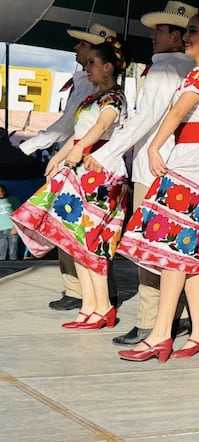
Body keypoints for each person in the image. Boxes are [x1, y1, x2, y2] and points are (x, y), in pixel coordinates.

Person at [115, 10, 199, 362]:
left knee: (174, 245)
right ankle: (198, 331)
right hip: (195, 158)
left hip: (195, 160)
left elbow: (178, 111)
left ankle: (161, 333)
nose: (186, 36)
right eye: (187, 31)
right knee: (188, 246)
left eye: (194, 31)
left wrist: (153, 145)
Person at [86, 1, 197, 346]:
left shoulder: (168, 68)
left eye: (160, 30)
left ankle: (152, 320)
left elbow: (147, 119)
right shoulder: (174, 66)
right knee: (167, 246)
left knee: (148, 247)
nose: (153, 35)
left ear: (177, 36)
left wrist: (107, 153)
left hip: (155, 166)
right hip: (165, 164)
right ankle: (169, 318)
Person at [11, 39, 129, 329]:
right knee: (76, 240)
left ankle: (103, 306)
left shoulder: (115, 98)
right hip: (80, 170)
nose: (86, 67)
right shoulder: (92, 98)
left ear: (108, 67)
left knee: (91, 241)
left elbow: (100, 128)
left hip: (101, 171)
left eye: (92, 63)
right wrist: (60, 158)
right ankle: (90, 306)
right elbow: (77, 134)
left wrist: (77, 151)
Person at [0, 185, 21, 259]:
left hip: (11, 229)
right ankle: (2, 269)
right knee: (1, 253)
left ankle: (14, 269)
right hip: (1, 231)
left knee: (12, 252)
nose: (1, 193)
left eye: (2, 191)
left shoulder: (12, 199)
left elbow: (19, 214)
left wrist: (16, 227)